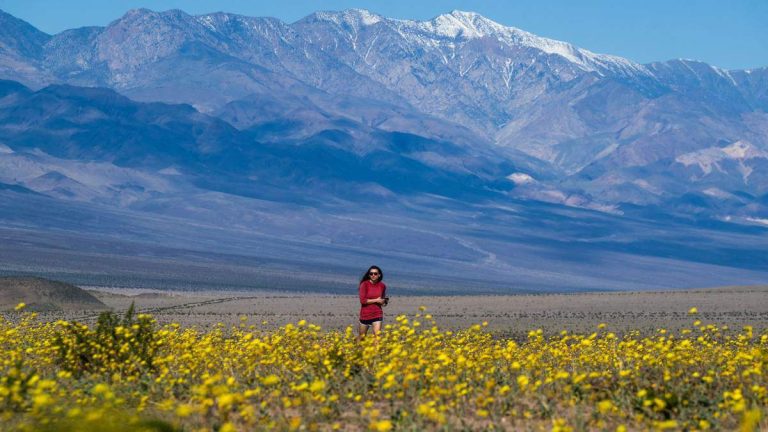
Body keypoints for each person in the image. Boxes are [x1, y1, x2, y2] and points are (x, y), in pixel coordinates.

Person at [358, 265, 388, 341]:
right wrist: (376, 300)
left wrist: (383, 301)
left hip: (377, 314)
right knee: (362, 337)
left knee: (377, 337)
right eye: (371, 273)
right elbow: (363, 301)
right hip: (365, 315)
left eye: (375, 273)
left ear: (379, 275)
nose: (373, 275)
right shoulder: (364, 284)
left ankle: (375, 352)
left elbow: (382, 299)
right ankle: (356, 350)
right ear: (369, 275)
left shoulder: (382, 286)